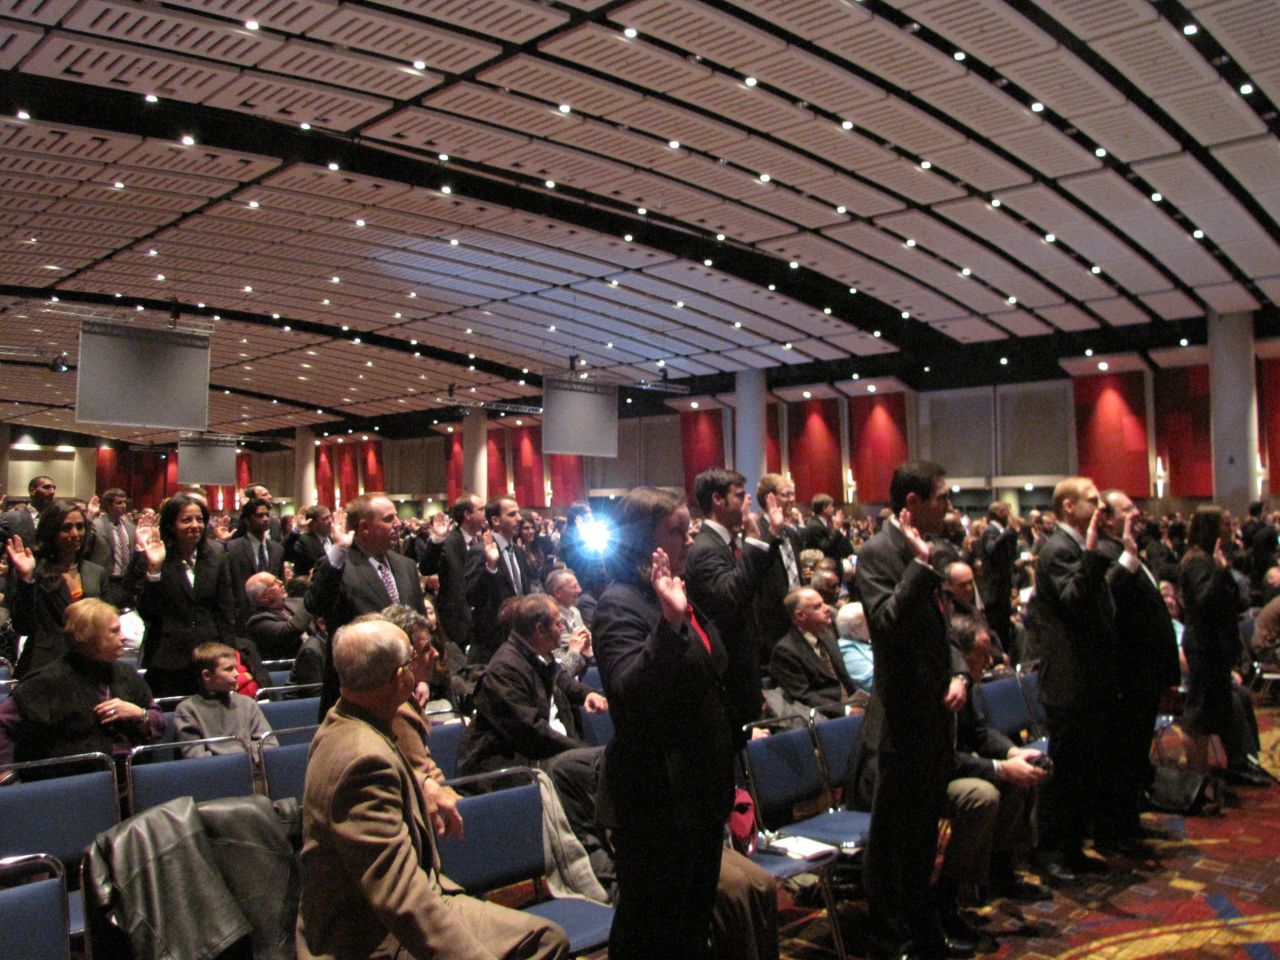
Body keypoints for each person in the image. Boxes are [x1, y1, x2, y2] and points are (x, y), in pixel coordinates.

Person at [295, 618, 569, 960]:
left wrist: (424, 782)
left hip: (398, 906)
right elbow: (399, 896)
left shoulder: (343, 722)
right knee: (542, 944)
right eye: (412, 660)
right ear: (399, 679)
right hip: (369, 936)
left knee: (545, 937)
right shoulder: (363, 760)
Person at [592, 486, 736, 960]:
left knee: (691, 926)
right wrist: (669, 627)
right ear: (642, 539)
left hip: (699, 791)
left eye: (688, 528)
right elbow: (631, 696)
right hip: (657, 799)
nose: (689, 541)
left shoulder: (677, 593)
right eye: (676, 531)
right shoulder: (621, 603)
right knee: (650, 933)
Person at [854, 460, 970, 960]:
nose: (950, 506)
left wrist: (961, 671)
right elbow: (887, 623)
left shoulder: (936, 551)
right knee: (892, 836)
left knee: (924, 832)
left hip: (934, 715)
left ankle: (922, 923)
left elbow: (945, 628)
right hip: (900, 717)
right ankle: (886, 934)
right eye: (942, 497)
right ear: (913, 503)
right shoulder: (877, 553)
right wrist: (920, 568)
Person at [1029, 477, 1117, 883]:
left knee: (1084, 768)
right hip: (1068, 679)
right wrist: (1096, 554)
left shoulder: (1078, 545)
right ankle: (1049, 853)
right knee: (1063, 771)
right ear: (1067, 506)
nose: (1100, 506)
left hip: (1088, 676)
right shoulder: (1058, 549)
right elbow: (1074, 602)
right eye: (1092, 500)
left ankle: (1072, 847)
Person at [1094, 490, 1181, 852]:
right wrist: (1128, 554)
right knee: (1122, 756)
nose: (1136, 513)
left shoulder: (1131, 549)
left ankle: (1129, 822)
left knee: (1134, 755)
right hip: (1127, 675)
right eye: (1127, 509)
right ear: (1108, 520)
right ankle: (1115, 832)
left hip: (1143, 675)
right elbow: (1110, 596)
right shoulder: (1107, 552)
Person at [0, 598, 163, 766]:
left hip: (130, 775)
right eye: (114, 631)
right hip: (73, 781)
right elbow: (2, 722)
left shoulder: (126, 673)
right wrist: (6, 775)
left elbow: (158, 720)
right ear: (89, 638)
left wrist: (139, 715)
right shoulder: (46, 681)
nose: (123, 637)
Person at [305, 494, 426, 716]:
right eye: (389, 519)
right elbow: (316, 604)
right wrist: (339, 549)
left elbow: (419, 627)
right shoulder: (338, 565)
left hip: (405, 689)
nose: (398, 524)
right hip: (359, 693)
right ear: (365, 526)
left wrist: (421, 677)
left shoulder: (406, 565)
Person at [684, 467, 779, 739]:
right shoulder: (705, 549)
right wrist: (754, 542)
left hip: (743, 667)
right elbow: (731, 597)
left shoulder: (725, 543)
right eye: (739, 495)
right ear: (717, 499)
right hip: (728, 673)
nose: (747, 501)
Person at [131, 494, 237, 698]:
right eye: (186, 520)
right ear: (171, 525)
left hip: (209, 653)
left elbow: (225, 609)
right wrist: (155, 569)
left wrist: (229, 652)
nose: (195, 525)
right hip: (168, 656)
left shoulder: (216, 553)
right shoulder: (155, 553)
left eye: (199, 519)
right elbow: (148, 612)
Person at [6, 499, 107, 678]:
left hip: (87, 666)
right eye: (66, 528)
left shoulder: (96, 572)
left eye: (80, 526)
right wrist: (27, 579)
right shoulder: (34, 569)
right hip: (43, 668)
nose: (75, 533)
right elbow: (23, 625)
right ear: (51, 532)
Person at [1178, 505, 1244, 774]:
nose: (1230, 529)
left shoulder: (1211, 559)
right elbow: (1204, 602)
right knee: (1198, 717)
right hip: (1202, 647)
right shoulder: (1197, 561)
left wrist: (1223, 570)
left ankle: (1217, 771)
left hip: (1215, 647)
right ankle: (1196, 777)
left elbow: (1235, 601)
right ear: (1210, 528)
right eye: (1225, 524)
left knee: (1212, 714)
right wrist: (1219, 571)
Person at [769, 586, 860, 718]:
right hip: (824, 720)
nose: (827, 608)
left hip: (852, 707)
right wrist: (846, 711)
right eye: (818, 607)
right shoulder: (785, 651)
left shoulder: (828, 635)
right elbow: (803, 697)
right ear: (800, 616)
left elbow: (844, 678)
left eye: (823, 603)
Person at [174, 641, 277, 758]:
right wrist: (244, 755)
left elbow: (269, 744)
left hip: (252, 771)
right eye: (229, 669)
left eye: (236, 668)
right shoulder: (187, 709)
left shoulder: (247, 703)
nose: (237, 674)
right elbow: (195, 757)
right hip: (214, 773)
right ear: (207, 675)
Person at [466, 497, 536, 665]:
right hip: (492, 645)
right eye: (512, 514)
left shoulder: (518, 552)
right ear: (496, 520)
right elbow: (472, 596)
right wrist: (490, 566)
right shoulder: (480, 551)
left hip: (519, 638)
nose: (519, 518)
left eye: (518, 513)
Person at [418, 495, 486, 656]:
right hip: (456, 623)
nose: (486, 513)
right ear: (467, 515)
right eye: (481, 509)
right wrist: (437, 539)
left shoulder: (484, 541)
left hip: (482, 622)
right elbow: (426, 568)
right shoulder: (447, 541)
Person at [224, 497, 286, 634]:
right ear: (247, 520)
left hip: (272, 617)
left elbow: (281, 581)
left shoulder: (277, 549)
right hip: (243, 616)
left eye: (267, 515)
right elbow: (229, 584)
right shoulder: (233, 548)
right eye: (259, 516)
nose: (265, 519)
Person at [244, 571, 314, 661]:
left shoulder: (295, 602)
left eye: (277, 579)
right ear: (264, 598)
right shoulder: (258, 623)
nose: (281, 582)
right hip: (289, 668)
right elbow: (292, 629)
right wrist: (312, 592)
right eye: (273, 583)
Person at [85, 488, 136, 607]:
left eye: (124, 502)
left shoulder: (131, 527)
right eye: (119, 503)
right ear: (108, 504)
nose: (123, 506)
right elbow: (85, 547)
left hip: (126, 582)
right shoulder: (96, 525)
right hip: (106, 580)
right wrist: (89, 516)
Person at [284, 504, 333, 578]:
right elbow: (285, 552)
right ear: (313, 523)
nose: (330, 521)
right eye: (325, 519)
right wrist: (297, 528)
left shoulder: (332, 539)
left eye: (330, 516)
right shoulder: (304, 541)